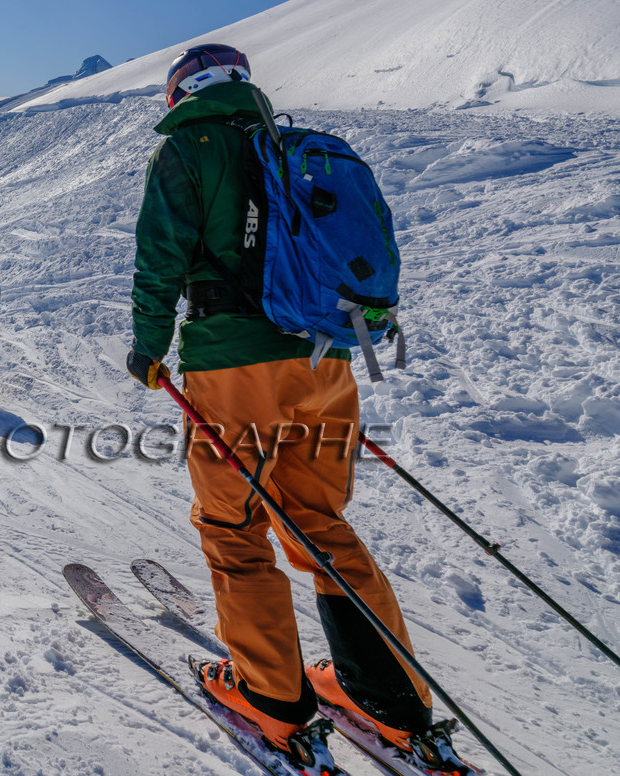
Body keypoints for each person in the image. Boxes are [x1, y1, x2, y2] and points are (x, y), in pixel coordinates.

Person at [124, 44, 462, 771]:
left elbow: (161, 256)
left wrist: (148, 348)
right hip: (324, 364)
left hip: (233, 367)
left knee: (234, 522)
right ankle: (391, 702)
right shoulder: (292, 149)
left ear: (181, 93)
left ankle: (272, 698)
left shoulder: (188, 147)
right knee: (319, 521)